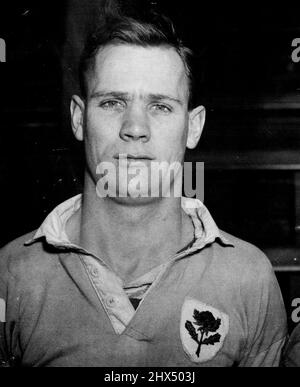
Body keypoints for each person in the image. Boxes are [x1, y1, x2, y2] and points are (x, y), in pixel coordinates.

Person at [0, 10, 287, 367]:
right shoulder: (11, 274)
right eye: (112, 103)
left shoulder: (248, 278)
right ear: (78, 118)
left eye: (161, 106)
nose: (135, 128)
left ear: (193, 127)